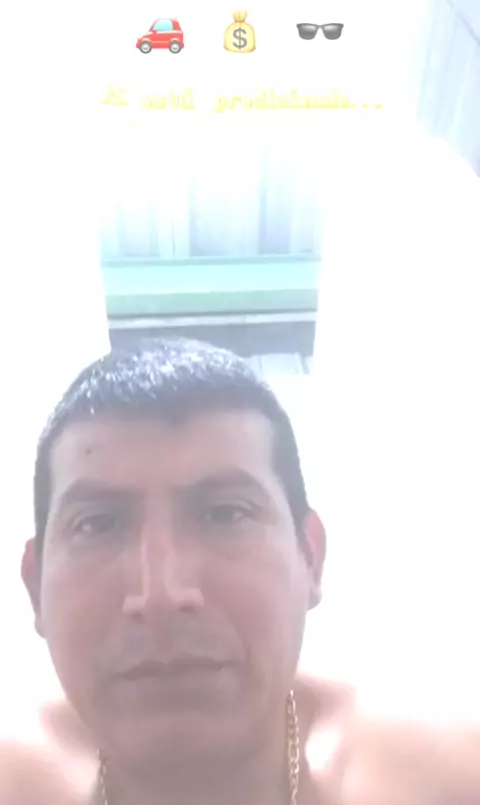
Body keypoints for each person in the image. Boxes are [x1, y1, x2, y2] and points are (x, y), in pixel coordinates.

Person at [2, 337, 480, 805]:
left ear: (310, 557)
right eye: (97, 524)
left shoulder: (449, 777)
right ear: (34, 587)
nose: (162, 593)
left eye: (225, 514)